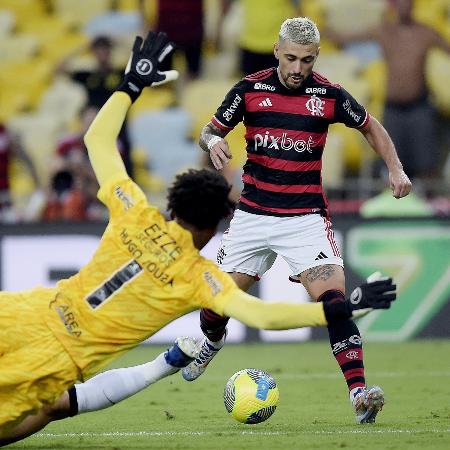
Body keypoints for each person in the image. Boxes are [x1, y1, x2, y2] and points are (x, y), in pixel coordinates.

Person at [0, 32, 397, 447]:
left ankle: (354, 389)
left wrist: (131, 84)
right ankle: (191, 352)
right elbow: (263, 317)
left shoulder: (132, 210)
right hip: (60, 356)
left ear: (172, 205)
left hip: (24, 311)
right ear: (215, 229)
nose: (299, 67)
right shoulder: (199, 280)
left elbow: (97, 140)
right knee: (49, 406)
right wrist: (344, 307)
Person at [183, 17, 412, 424]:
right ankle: (212, 344)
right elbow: (209, 131)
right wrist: (215, 140)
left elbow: (370, 126)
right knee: (214, 307)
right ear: (276, 51)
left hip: (304, 217)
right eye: (290, 58)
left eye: (306, 60)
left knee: (334, 304)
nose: (296, 68)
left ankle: (360, 394)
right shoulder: (250, 89)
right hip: (252, 215)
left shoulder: (328, 94)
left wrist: (395, 168)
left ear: (315, 58)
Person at [327, 0, 450, 181]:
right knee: (391, 162)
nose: (404, 7)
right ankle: (393, 206)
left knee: (426, 164)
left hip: (419, 107)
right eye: (400, 3)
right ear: (394, 7)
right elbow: (350, 36)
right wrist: (326, 33)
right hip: (392, 108)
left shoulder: (425, 33)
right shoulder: (385, 31)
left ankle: (427, 205)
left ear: (413, 6)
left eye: (407, 3)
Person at [56, 35, 133, 176]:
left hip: (118, 128)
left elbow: (143, 61)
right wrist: (83, 48)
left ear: (110, 51)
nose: (102, 53)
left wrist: (119, 42)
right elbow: (59, 68)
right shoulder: (88, 76)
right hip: (95, 127)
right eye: (98, 49)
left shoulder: (121, 73)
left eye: (105, 49)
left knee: (124, 172)